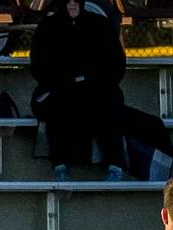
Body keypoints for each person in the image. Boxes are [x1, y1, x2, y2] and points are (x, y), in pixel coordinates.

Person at [29, 0, 126, 182]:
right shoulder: (49, 26)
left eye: (76, 0)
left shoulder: (99, 25)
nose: (72, 4)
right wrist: (63, 82)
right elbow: (38, 65)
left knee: (107, 107)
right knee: (56, 107)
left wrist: (94, 82)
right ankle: (60, 166)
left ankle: (115, 166)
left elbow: (116, 65)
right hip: (59, 88)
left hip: (95, 87)